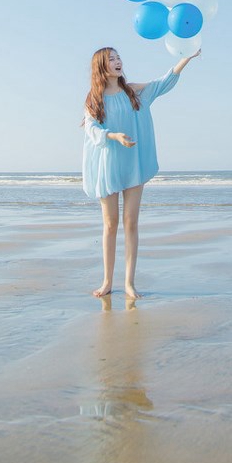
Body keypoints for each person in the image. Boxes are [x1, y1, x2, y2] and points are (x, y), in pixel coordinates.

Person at [82, 45, 200, 299]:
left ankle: (129, 283)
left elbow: (162, 83)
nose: (117, 61)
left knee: (130, 223)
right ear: (101, 66)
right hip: (109, 163)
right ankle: (106, 281)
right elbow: (91, 129)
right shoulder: (95, 97)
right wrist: (112, 135)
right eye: (111, 59)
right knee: (110, 225)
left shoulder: (132, 91)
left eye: (118, 57)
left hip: (134, 163)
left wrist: (186, 58)